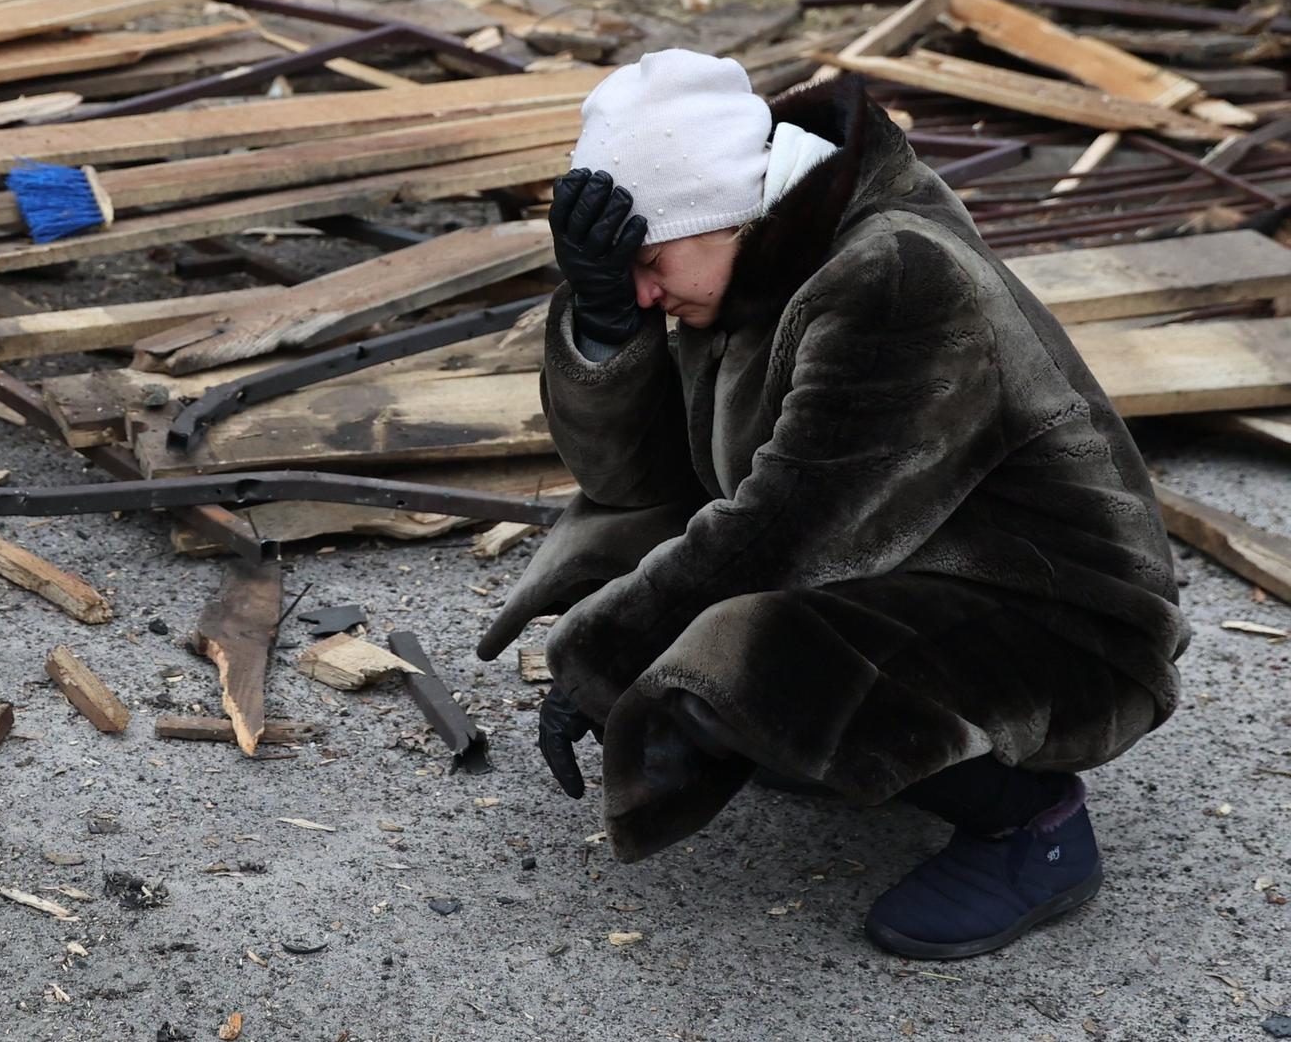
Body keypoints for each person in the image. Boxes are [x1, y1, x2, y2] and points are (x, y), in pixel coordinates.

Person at [476, 50, 1190, 960]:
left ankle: (1034, 829)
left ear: (721, 212)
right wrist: (608, 319)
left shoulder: (895, 276)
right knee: (618, 555)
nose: (647, 290)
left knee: (743, 659)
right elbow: (634, 486)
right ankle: (828, 738)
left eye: (647, 264)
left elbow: (791, 531)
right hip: (904, 560)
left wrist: (609, 657)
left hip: (1061, 622)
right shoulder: (749, 261)